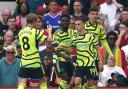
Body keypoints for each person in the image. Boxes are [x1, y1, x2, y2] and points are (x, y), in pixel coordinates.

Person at [59, 18, 103, 89]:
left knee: (90, 84)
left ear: (84, 25)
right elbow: (71, 50)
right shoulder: (74, 37)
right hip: (79, 64)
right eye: (75, 24)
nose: (76, 26)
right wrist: (62, 48)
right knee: (77, 82)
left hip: (90, 63)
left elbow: (98, 49)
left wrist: (100, 62)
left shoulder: (91, 36)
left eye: (78, 24)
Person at [17, 13, 52, 89]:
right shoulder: (35, 32)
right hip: (35, 61)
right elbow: (49, 40)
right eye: (36, 21)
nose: (37, 23)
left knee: (23, 82)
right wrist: (49, 32)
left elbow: (28, 42)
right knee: (42, 81)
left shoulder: (20, 32)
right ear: (33, 21)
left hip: (24, 61)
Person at [85, 7, 113, 72]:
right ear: (88, 15)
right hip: (84, 55)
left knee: (95, 79)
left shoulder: (100, 28)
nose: (94, 16)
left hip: (96, 55)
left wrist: (111, 54)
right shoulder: (84, 26)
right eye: (92, 14)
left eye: (96, 14)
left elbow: (104, 41)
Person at [52, 14, 75, 89]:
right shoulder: (57, 33)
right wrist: (65, 56)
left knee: (75, 77)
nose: (65, 22)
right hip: (59, 59)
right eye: (63, 21)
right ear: (60, 22)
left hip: (68, 59)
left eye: (66, 21)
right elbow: (54, 49)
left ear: (69, 22)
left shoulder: (72, 32)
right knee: (65, 77)